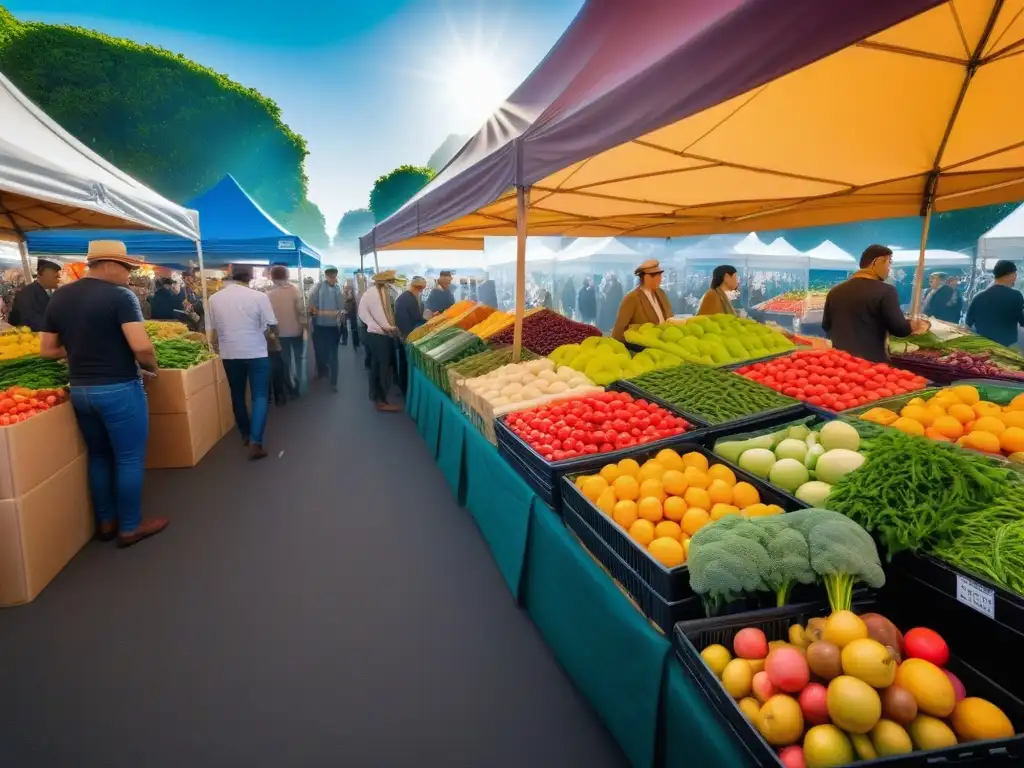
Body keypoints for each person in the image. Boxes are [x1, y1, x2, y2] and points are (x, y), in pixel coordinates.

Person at [40, 241, 167, 548]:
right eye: (128, 269)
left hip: (81, 390)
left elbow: (47, 351)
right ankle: (130, 527)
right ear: (110, 264)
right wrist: (152, 367)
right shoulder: (121, 297)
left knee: (98, 456)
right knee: (129, 458)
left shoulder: (60, 297)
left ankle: (106, 522)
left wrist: (80, 352)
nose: (130, 276)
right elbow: (141, 346)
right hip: (119, 388)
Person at [208, 264, 277, 460]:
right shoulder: (259, 297)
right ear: (250, 277)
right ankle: (256, 441)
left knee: (237, 394)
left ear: (230, 275)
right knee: (260, 396)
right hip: (256, 350)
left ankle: (245, 434)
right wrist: (272, 337)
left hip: (229, 352)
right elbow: (272, 324)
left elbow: (212, 328)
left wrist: (214, 345)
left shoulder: (214, 298)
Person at [821, 244, 928, 363]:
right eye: (889, 263)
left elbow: (826, 325)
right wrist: (914, 325)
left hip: (839, 361)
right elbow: (900, 330)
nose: (889, 269)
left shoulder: (835, 291)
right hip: (871, 364)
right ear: (877, 262)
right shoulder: (886, 291)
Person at [358, 270, 401, 412]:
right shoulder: (377, 294)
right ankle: (382, 400)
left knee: (376, 366)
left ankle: (376, 395)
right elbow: (381, 315)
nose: (391, 284)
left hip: (374, 333)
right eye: (390, 281)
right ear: (384, 282)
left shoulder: (373, 291)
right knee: (383, 367)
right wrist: (390, 327)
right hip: (379, 335)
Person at [611, 260, 674, 341]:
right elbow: (618, 331)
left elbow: (669, 315)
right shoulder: (632, 298)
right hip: (642, 346)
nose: (660, 279)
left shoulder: (661, 293)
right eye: (657, 276)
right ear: (647, 277)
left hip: (665, 341)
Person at [966, 260, 1024, 348]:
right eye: (1015, 273)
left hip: (983, 346)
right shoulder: (1016, 296)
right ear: (1008, 274)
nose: (1016, 276)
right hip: (1007, 347)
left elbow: (968, 323)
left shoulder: (979, 297)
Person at [265, 265, 303, 398]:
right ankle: (299, 383)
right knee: (298, 358)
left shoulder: (268, 294)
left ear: (273, 277)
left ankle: (291, 387)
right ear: (286, 276)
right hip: (296, 330)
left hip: (280, 333)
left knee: (286, 362)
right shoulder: (294, 291)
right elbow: (301, 311)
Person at [308, 265, 344, 391]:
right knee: (320, 352)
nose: (333, 279)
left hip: (333, 327)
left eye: (334, 277)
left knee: (333, 355)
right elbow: (311, 307)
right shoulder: (318, 288)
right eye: (331, 277)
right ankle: (322, 371)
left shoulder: (338, 289)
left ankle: (333, 382)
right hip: (320, 327)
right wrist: (324, 313)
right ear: (326, 276)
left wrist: (339, 313)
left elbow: (341, 308)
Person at [394, 276, 427, 395]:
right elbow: (417, 319)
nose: (421, 292)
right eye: (421, 289)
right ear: (418, 288)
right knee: (406, 364)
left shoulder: (403, 297)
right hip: (407, 336)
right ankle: (406, 389)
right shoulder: (410, 299)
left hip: (401, 334)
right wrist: (431, 321)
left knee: (402, 362)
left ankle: (402, 386)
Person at [10, 258, 61, 331]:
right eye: (55, 277)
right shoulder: (27, 293)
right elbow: (31, 319)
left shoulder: (45, 291)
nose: (58, 280)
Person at [343, 281, 360, 351]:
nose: (345, 289)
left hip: (353, 315)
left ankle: (356, 343)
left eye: (347, 288)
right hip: (351, 315)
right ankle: (355, 343)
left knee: (354, 329)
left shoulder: (351, 295)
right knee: (353, 330)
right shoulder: (348, 296)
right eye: (345, 288)